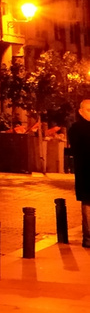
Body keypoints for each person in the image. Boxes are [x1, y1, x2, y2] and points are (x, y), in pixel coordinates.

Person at [70, 99, 90, 245]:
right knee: (88, 204)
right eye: (89, 110)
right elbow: (79, 149)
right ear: (81, 111)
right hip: (85, 171)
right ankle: (88, 237)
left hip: (84, 171)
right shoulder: (76, 128)